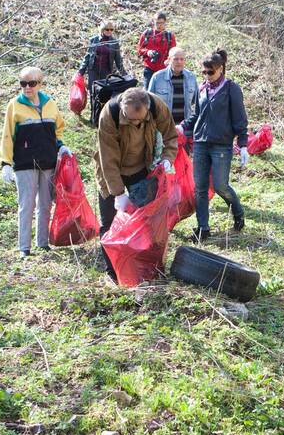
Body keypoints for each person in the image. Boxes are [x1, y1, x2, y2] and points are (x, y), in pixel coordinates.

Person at [95, 87, 179, 271]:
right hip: (110, 172)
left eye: (139, 120)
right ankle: (113, 271)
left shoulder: (157, 106)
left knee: (146, 221)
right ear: (124, 108)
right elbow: (107, 159)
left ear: (147, 110)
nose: (134, 123)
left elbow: (171, 136)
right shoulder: (109, 114)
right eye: (130, 119)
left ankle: (143, 266)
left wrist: (167, 159)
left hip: (141, 169)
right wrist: (118, 193)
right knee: (109, 222)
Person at [0, 67, 71, 258]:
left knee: (46, 203)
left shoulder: (50, 104)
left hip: (48, 161)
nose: (27, 87)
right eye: (23, 83)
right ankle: (24, 246)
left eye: (31, 83)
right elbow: (7, 135)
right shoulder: (14, 105)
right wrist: (5, 163)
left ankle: (43, 242)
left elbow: (58, 130)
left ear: (40, 84)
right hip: (24, 163)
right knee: (27, 204)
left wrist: (61, 146)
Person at [182, 49, 249, 242]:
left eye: (210, 72)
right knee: (200, 188)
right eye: (204, 72)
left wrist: (242, 144)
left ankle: (237, 212)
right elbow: (197, 115)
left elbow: (239, 118)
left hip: (221, 145)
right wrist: (183, 126)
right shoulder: (202, 89)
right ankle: (203, 228)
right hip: (201, 143)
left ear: (220, 69)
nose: (207, 76)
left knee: (220, 186)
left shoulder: (231, 89)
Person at [147, 46, 197, 125]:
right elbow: (149, 102)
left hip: (184, 128)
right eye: (176, 59)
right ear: (169, 59)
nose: (179, 62)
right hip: (163, 127)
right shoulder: (157, 77)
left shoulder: (191, 77)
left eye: (182, 59)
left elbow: (196, 101)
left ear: (185, 61)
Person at [137, 12, 176, 89]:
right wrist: (148, 52)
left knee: (162, 92)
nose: (159, 25)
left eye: (161, 23)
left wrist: (169, 60)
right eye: (157, 23)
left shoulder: (169, 36)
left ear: (165, 22)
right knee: (148, 93)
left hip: (163, 69)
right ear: (153, 22)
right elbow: (139, 49)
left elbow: (173, 52)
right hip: (149, 67)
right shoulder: (147, 34)